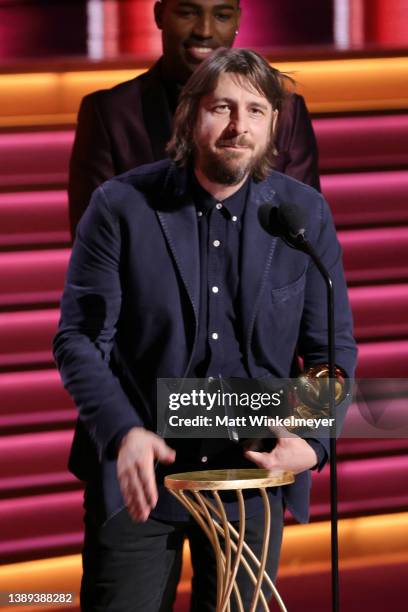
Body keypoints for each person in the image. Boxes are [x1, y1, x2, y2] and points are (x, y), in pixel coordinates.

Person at [54, 48, 356, 611]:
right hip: (142, 478)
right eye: (222, 107)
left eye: (257, 111)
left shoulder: (303, 214)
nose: (239, 126)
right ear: (191, 115)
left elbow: (330, 349)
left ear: (273, 127)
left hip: (251, 480)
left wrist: (311, 441)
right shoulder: (120, 206)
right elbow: (77, 340)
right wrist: (124, 433)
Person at [68, 0, 320, 236]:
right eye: (188, 13)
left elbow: (304, 233)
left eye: (221, 15)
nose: (205, 30)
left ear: (237, 21)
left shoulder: (286, 110)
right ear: (159, 15)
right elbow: (94, 246)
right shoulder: (109, 113)